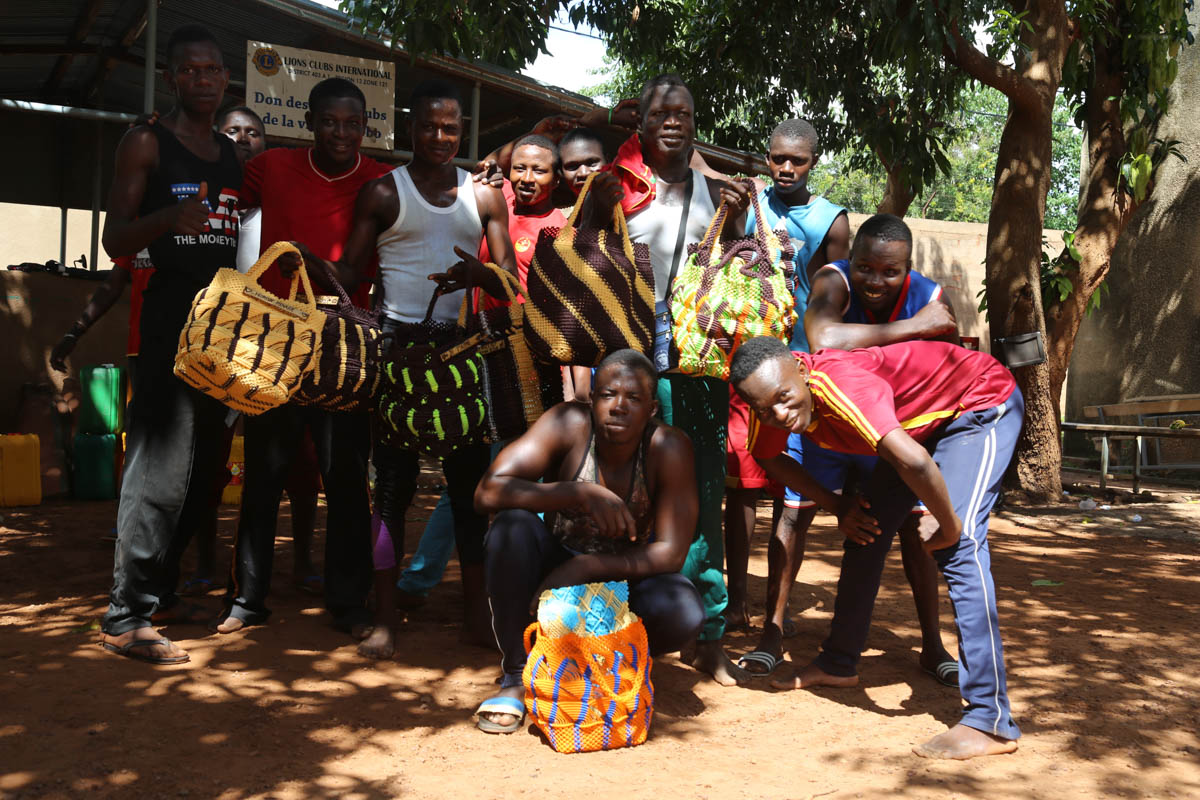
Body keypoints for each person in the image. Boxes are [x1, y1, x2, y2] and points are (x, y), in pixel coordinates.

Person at [292, 78, 516, 659]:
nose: (439, 137)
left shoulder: (485, 197)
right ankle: (387, 618)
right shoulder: (383, 193)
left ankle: (475, 618)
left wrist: (480, 276)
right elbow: (352, 272)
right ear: (409, 129)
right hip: (395, 352)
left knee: (469, 495)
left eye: (450, 128)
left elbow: (511, 279)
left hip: (461, 354)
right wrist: (314, 267)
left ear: (461, 132)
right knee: (390, 490)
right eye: (428, 127)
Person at [730, 335, 1023, 760]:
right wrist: (839, 505)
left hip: (978, 403)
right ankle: (838, 661)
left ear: (801, 370)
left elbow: (917, 462)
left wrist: (948, 523)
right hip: (915, 425)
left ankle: (990, 720)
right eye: (764, 409)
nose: (778, 413)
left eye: (784, 397)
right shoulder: (769, 401)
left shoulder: (841, 386)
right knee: (865, 530)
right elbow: (769, 456)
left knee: (960, 547)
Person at [735, 214, 962, 680]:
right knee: (793, 516)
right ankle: (773, 632)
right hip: (821, 417)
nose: (874, 280)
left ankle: (933, 645)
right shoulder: (832, 279)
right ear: (850, 259)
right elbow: (826, 338)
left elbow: (947, 363)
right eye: (865, 267)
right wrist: (915, 326)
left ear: (909, 269)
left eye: (889, 272)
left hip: (890, 427)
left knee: (914, 528)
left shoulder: (931, 295)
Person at [583, 73, 751, 685]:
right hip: (626, 347)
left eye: (682, 114)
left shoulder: (719, 192)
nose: (672, 123)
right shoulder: (618, 187)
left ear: (695, 122)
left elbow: (740, 270)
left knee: (702, 487)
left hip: (695, 352)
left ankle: (708, 632)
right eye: (660, 115)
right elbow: (586, 261)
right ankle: (615, 617)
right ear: (643, 125)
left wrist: (735, 225)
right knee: (622, 478)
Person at [214, 77, 390, 636]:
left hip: (344, 343)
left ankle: (348, 601)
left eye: (353, 123)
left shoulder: (379, 182)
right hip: (277, 335)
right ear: (310, 121)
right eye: (331, 121)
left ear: (366, 127)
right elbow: (218, 181)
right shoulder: (273, 168)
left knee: (343, 474)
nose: (342, 133)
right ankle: (248, 598)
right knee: (266, 469)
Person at [97, 24, 243, 665]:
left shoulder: (229, 154)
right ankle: (125, 616)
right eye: (190, 71)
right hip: (167, 324)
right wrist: (166, 220)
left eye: (212, 71)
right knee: (157, 468)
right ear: (172, 78)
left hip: (218, 324)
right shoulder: (146, 142)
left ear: (225, 79)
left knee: (205, 470)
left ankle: (160, 593)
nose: (203, 80)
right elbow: (115, 239)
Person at [473, 349, 705, 733]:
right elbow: (487, 493)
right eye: (608, 394)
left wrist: (584, 566)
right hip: (551, 571)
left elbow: (671, 552)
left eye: (633, 398)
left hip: (622, 581)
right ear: (592, 398)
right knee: (511, 527)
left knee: (685, 611)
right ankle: (517, 675)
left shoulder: (668, 447)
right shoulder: (568, 423)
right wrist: (575, 493)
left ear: (651, 409)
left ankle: (607, 666)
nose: (618, 407)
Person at [724, 118, 850, 638]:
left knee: (791, 493)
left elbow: (836, 298)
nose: (786, 168)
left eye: (796, 160)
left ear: (813, 161)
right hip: (751, 364)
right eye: (777, 158)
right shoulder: (752, 200)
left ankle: (778, 605)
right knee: (742, 488)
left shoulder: (830, 221)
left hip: (799, 370)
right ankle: (735, 602)